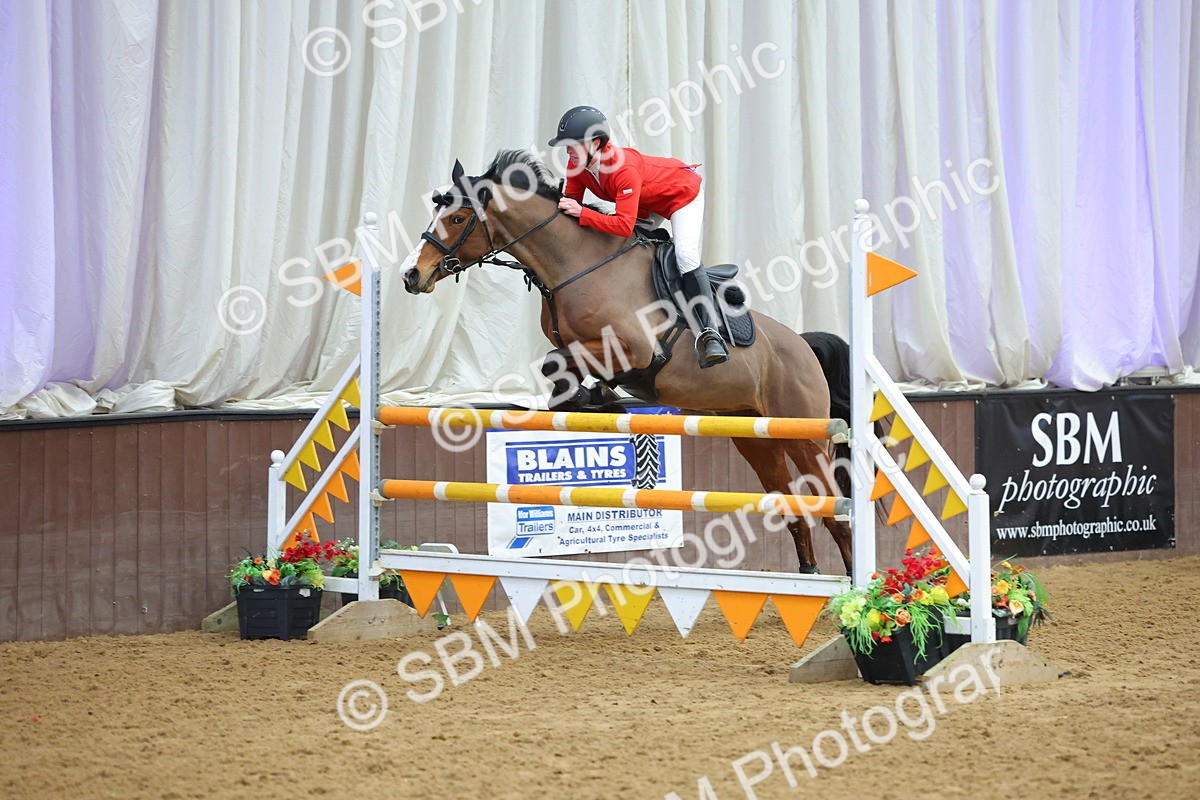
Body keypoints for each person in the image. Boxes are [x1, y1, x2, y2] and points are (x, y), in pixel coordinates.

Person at [548, 105, 728, 369]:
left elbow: (622, 224)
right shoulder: (577, 165)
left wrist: (583, 212)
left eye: (573, 145)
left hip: (681, 195)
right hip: (646, 202)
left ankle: (709, 333)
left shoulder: (623, 169)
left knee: (685, 254)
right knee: (620, 247)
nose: (568, 152)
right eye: (566, 147)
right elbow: (570, 208)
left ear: (596, 143)